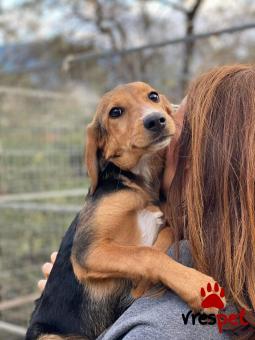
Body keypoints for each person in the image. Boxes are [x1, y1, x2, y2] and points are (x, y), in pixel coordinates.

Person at [38, 64, 255, 339]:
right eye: (117, 113)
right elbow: (87, 257)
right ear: (101, 146)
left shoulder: (160, 325)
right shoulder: (116, 196)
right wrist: (61, 295)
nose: (153, 115)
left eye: (154, 99)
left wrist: (159, 263)